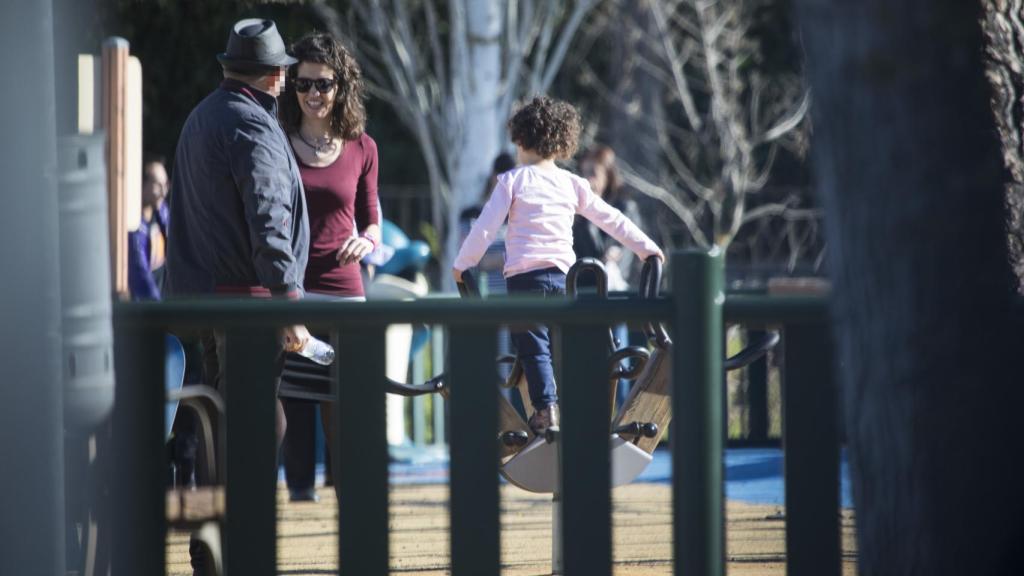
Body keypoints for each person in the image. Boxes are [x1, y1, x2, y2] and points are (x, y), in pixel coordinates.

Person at [163, 20, 311, 572]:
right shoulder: (253, 125)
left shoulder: (202, 116)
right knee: (254, 426)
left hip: (201, 299)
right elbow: (269, 217)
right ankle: (230, 544)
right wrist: (287, 300)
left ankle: (210, 544)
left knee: (215, 429)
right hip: (246, 299)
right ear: (275, 76)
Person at [452, 96, 664, 434]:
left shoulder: (512, 181)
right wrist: (647, 248)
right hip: (566, 279)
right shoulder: (572, 183)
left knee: (534, 348)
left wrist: (463, 265)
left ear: (520, 140)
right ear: (561, 143)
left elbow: (485, 228)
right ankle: (584, 407)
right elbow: (612, 219)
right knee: (566, 347)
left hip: (525, 279)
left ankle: (546, 409)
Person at [276, 32, 380, 501]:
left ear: (341, 87)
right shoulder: (275, 143)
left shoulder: (363, 147)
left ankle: (352, 509)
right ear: (290, 87)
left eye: (324, 84)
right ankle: (299, 500)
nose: (314, 94)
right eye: (303, 84)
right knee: (294, 409)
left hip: (346, 293)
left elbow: (371, 218)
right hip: (292, 291)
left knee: (346, 411)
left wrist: (366, 241)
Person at [571, 144, 645, 291]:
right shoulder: (576, 211)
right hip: (582, 290)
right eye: (584, 173)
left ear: (607, 175)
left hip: (614, 288)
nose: (587, 179)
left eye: (593, 173)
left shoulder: (625, 208)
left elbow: (613, 253)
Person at [127, 157, 170, 300]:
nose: (164, 192)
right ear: (142, 185)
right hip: (147, 311)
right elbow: (141, 275)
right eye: (158, 185)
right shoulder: (134, 228)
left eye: (165, 185)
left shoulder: (162, 214)